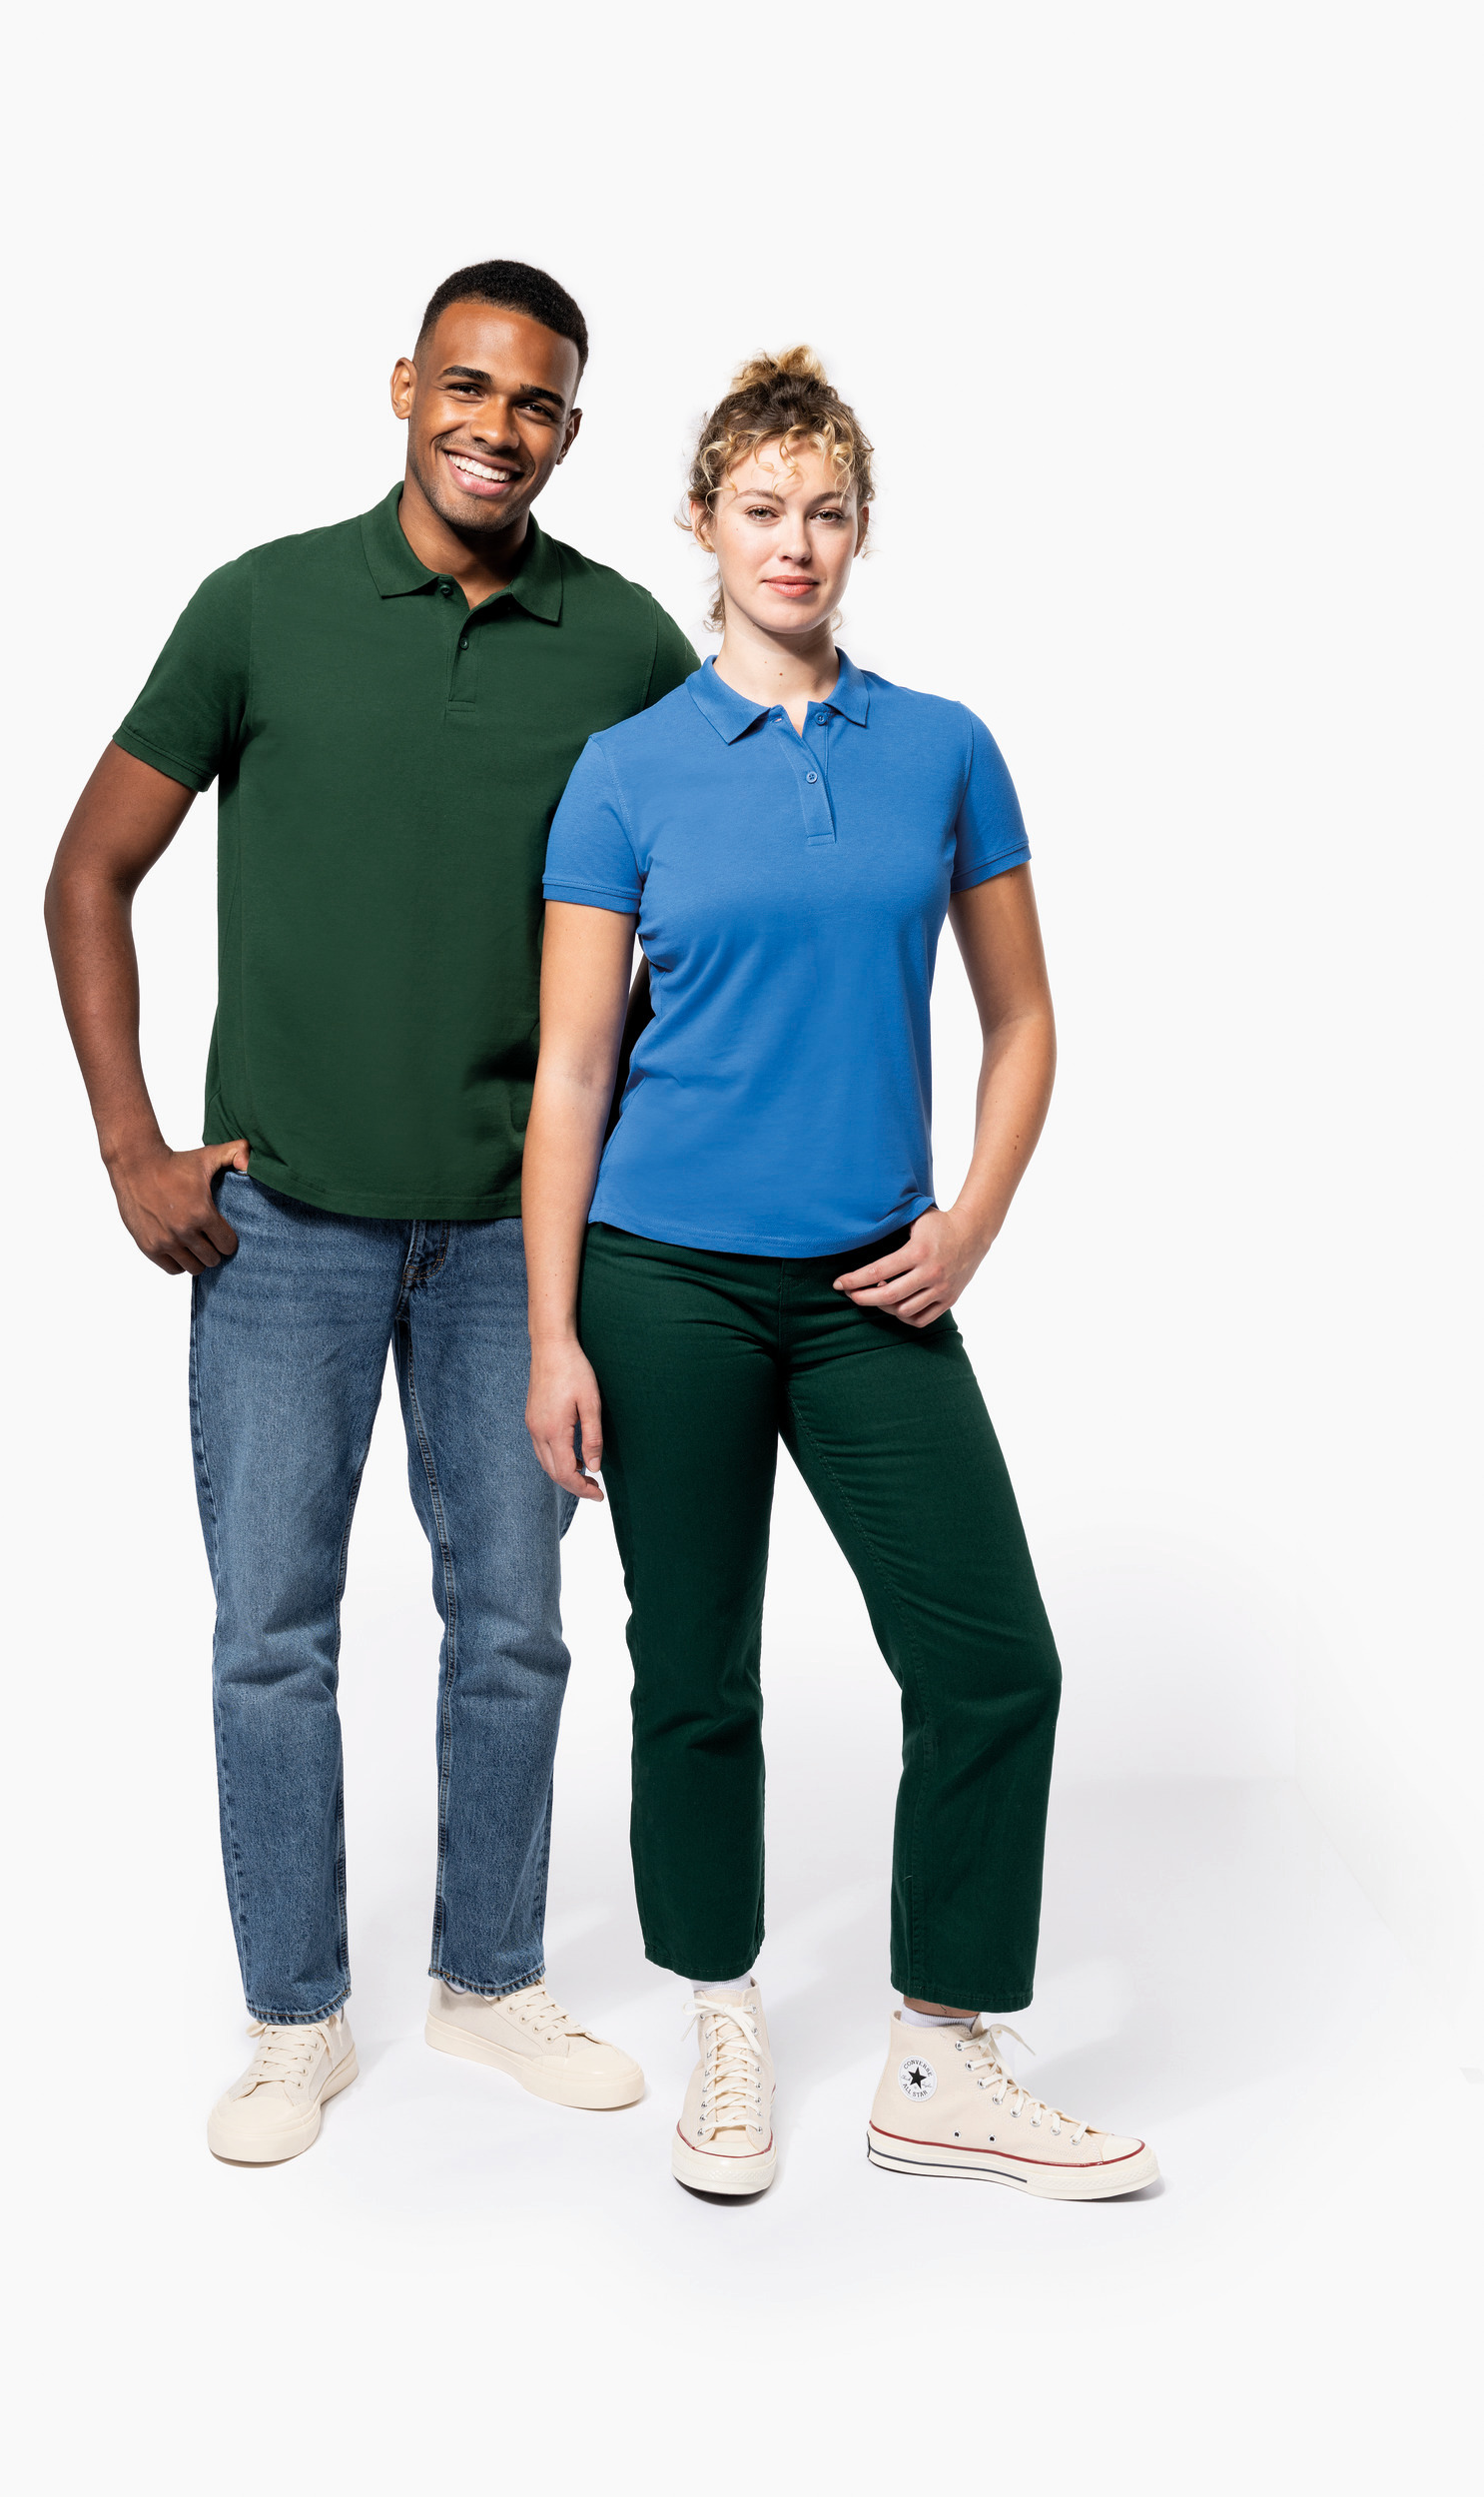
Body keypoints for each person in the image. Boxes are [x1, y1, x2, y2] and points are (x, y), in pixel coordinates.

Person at [46, 260, 697, 2164]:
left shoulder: (621, 639)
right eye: (469, 387)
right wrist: (131, 1147)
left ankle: (487, 1979)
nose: (499, 428)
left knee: (515, 1628)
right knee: (272, 1631)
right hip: (286, 1227)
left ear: (569, 430)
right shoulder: (262, 605)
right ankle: (293, 2019)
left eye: (538, 403)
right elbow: (88, 869)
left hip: (514, 1239)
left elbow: (713, 884)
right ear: (405, 385)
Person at [522, 348, 1158, 2199]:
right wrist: (553, 1328)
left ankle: (940, 2058)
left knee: (992, 1664)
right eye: (759, 510)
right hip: (663, 1283)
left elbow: (1023, 1017)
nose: (791, 542)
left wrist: (971, 1218)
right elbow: (572, 1072)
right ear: (702, 526)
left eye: (823, 512)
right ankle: (721, 2016)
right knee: (693, 1671)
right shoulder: (626, 770)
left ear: (860, 530)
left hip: (878, 1282)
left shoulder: (940, 748)